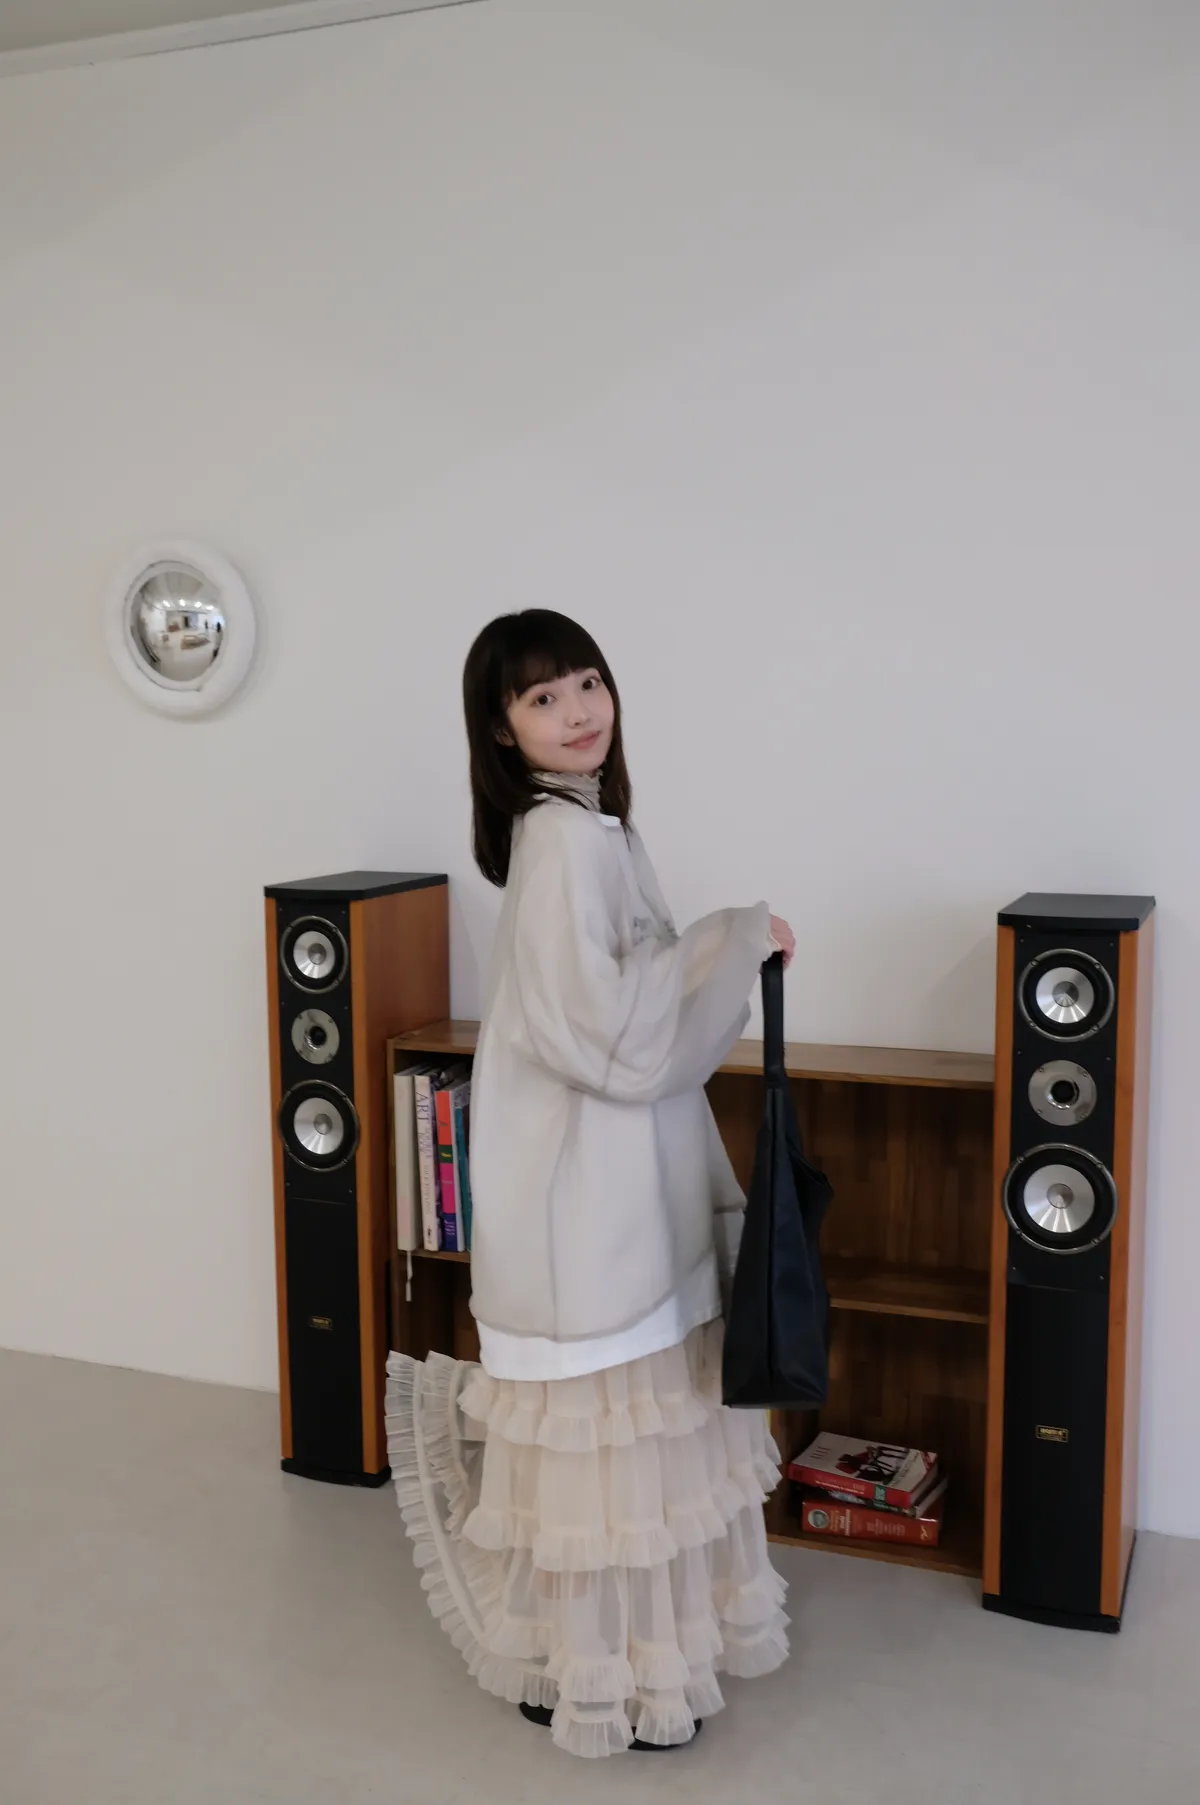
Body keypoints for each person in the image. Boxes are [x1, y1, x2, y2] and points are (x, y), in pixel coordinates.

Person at [386, 609, 795, 1758]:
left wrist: (720, 944)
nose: (577, 711)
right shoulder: (566, 838)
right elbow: (609, 1032)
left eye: (586, 682)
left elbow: (622, 1009)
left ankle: (609, 1667)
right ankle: (610, 1678)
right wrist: (733, 936)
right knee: (615, 1441)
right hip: (591, 1190)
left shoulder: (588, 824)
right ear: (501, 731)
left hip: (609, 1179)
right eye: (542, 697)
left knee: (606, 1449)